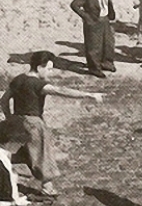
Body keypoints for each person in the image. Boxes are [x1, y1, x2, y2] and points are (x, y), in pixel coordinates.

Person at [0, 51, 103, 197]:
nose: (50, 72)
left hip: (17, 122)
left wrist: (10, 118)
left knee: (19, 154)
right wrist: (89, 95)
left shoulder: (18, 80)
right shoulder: (38, 84)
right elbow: (61, 91)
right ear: (39, 67)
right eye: (48, 68)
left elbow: (3, 101)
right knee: (42, 155)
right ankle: (47, 188)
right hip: (34, 124)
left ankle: (9, 181)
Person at [69, 0, 117, 78]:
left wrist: (110, 15)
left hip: (105, 20)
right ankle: (94, 68)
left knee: (108, 43)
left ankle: (106, 63)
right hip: (93, 22)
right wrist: (86, 17)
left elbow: (109, 2)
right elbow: (74, 5)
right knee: (94, 46)